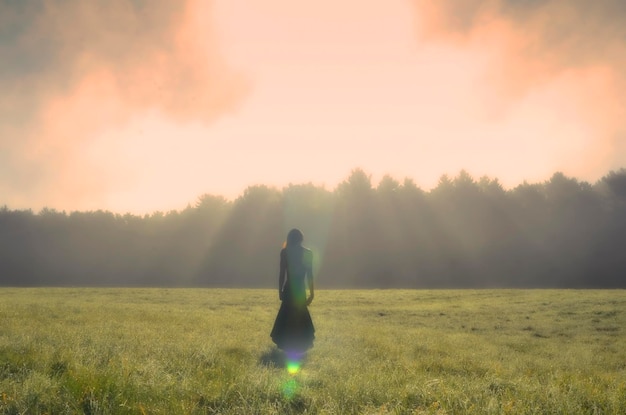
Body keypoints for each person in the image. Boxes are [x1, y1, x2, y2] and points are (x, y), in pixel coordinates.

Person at [270, 228, 315, 352]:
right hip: (300, 289)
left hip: (289, 288)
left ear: (289, 238)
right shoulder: (308, 253)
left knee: (287, 316)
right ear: (301, 238)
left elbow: (282, 274)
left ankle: (287, 345)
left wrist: (280, 291)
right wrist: (312, 294)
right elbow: (310, 275)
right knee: (300, 316)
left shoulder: (285, 252)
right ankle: (300, 345)